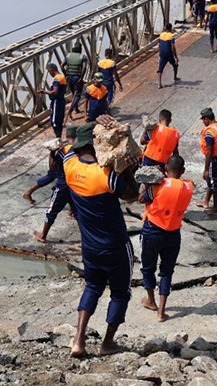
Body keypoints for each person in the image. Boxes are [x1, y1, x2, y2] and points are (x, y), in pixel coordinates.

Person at [63, 122, 137, 357]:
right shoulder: (107, 177)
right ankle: (107, 343)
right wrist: (126, 167)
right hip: (115, 246)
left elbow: (68, 148)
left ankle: (78, 340)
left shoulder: (69, 165)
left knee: (93, 286)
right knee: (120, 293)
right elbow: (133, 195)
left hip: (90, 246)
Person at [138, 155, 193, 322]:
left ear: (166, 168)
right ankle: (161, 312)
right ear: (182, 171)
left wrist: (150, 182)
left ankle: (151, 300)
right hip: (173, 233)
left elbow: (141, 199)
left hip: (152, 231)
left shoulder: (158, 186)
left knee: (148, 268)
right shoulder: (188, 187)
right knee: (167, 272)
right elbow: (176, 185)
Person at [33, 125, 78, 243]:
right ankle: (87, 239)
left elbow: (52, 167)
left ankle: (43, 235)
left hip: (63, 185)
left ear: (68, 137)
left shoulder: (64, 150)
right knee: (78, 212)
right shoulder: (81, 149)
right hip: (76, 184)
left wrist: (52, 152)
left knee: (52, 210)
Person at [197, 107, 217, 215]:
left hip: (213, 160)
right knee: (211, 181)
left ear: (207, 119)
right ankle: (206, 202)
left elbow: (209, 152)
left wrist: (206, 170)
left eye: (203, 120)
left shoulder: (210, 132)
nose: (203, 122)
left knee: (214, 183)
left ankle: (215, 209)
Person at [40, 63, 67, 138]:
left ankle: (58, 138)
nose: (49, 74)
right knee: (59, 120)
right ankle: (59, 137)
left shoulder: (56, 79)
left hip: (56, 101)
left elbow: (55, 92)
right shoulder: (62, 76)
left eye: (49, 72)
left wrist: (44, 92)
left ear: (52, 70)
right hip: (61, 100)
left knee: (54, 121)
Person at [63, 43, 88, 118]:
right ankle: (70, 110)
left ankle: (76, 109)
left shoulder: (68, 56)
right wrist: (81, 78)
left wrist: (65, 75)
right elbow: (84, 67)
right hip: (77, 77)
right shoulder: (82, 57)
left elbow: (62, 65)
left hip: (69, 77)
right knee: (78, 94)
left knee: (74, 93)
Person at [157, 23, 180, 89]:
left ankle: (159, 84)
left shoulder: (161, 35)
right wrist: (175, 56)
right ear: (170, 28)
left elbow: (159, 45)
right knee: (175, 65)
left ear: (165, 28)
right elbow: (173, 47)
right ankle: (175, 77)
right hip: (169, 53)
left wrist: (160, 53)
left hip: (162, 53)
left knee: (160, 69)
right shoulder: (171, 36)